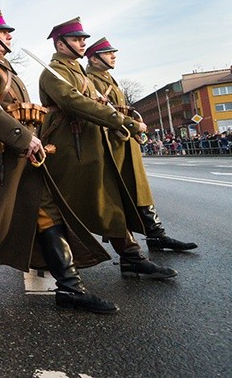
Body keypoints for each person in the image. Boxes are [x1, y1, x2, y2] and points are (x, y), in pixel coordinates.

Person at [0, 10, 117, 313]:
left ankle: (70, 288)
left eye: (8, 32)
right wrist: (23, 137)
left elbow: (21, 110)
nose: (9, 36)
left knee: (47, 215)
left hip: (21, 155)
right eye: (3, 32)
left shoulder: (6, 68)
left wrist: (34, 138)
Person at [38, 17, 175, 279]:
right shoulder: (54, 72)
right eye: (77, 39)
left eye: (83, 39)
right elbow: (73, 103)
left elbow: (96, 103)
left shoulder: (77, 72)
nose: (82, 43)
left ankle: (131, 256)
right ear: (60, 44)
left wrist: (116, 117)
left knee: (108, 202)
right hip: (71, 150)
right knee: (62, 210)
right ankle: (52, 263)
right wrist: (120, 121)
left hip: (91, 147)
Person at [85, 38, 197, 252]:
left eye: (112, 53)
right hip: (112, 143)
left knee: (139, 188)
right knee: (120, 193)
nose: (113, 56)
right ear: (94, 58)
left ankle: (156, 234)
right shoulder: (92, 81)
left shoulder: (107, 79)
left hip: (125, 140)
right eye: (108, 53)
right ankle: (131, 248)